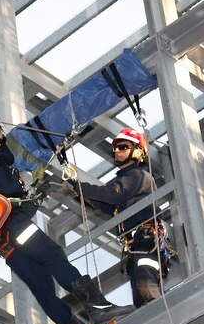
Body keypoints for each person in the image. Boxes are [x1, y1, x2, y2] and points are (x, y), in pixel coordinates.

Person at [0, 104, 134, 324]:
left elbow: (21, 203)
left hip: (4, 241)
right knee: (53, 255)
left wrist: (31, 197)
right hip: (9, 225)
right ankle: (98, 308)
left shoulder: (9, 168)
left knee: (41, 285)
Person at [68, 127, 171, 308]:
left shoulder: (138, 176)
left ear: (138, 151)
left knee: (146, 285)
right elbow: (107, 206)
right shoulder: (125, 180)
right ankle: (150, 321)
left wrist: (80, 186)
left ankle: (159, 314)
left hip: (145, 239)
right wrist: (76, 188)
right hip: (136, 245)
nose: (117, 151)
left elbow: (112, 195)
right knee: (140, 294)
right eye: (115, 148)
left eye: (123, 147)